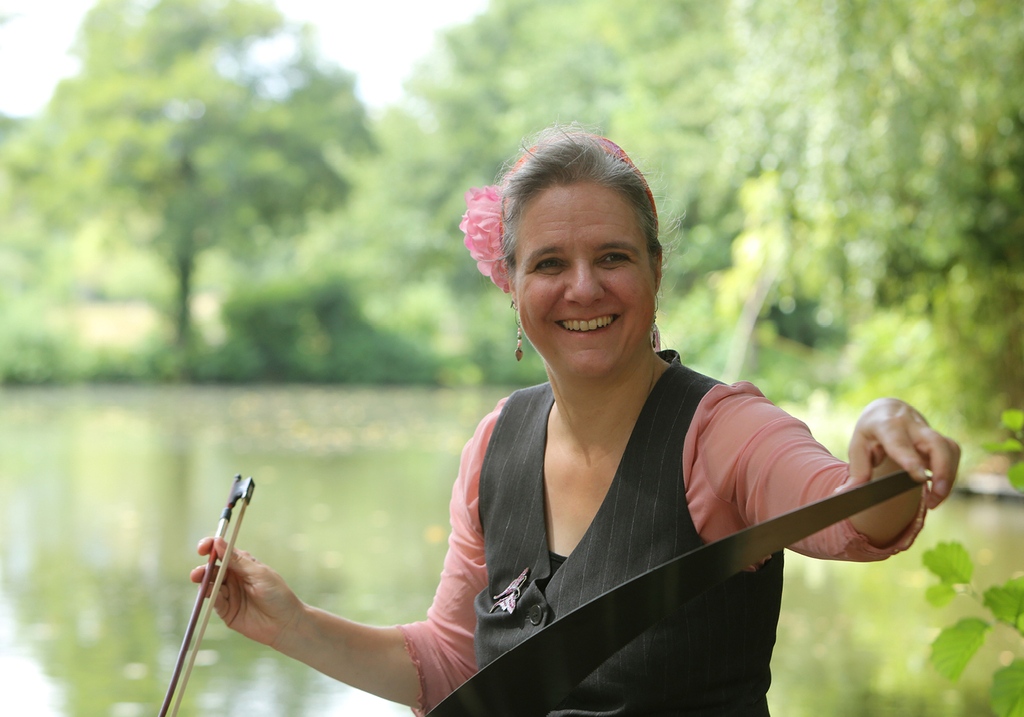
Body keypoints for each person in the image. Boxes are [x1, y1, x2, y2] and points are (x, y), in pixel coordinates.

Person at [193, 126, 960, 716]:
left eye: (613, 257)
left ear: (657, 272)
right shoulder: (496, 442)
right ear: (514, 288)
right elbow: (457, 667)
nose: (583, 287)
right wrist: (292, 626)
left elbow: (856, 519)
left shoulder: (720, 430)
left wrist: (885, 441)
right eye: (551, 263)